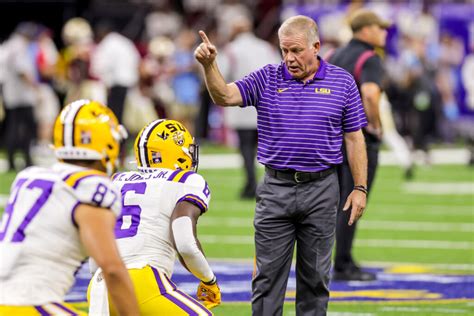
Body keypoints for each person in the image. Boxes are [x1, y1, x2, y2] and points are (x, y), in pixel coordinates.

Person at [195, 15, 368, 316]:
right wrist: (210, 66)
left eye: (296, 50)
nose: (289, 58)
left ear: (316, 46)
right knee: (267, 279)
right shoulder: (267, 77)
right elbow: (224, 95)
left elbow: (354, 136)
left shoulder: (343, 81)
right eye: (284, 50)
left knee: (315, 279)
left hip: (322, 188)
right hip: (276, 188)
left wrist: (360, 187)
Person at [0, 99, 138, 315]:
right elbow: (111, 269)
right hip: (29, 303)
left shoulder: (29, 177)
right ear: (108, 142)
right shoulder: (91, 186)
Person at [88, 119, 220, 315]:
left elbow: (95, 249)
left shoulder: (116, 180)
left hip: (98, 286)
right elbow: (184, 243)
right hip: (141, 282)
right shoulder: (185, 180)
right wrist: (209, 280)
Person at [327, 9, 390, 281]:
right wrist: (375, 126)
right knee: (354, 199)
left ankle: (334, 259)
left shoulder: (333, 55)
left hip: (330, 136)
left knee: (332, 202)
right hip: (356, 138)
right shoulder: (370, 58)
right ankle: (342, 263)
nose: (384, 32)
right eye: (380, 27)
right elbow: (370, 93)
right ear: (365, 30)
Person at [219, 12, 281, 199]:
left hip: (242, 105)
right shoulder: (266, 47)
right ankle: (271, 184)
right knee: (270, 148)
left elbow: (221, 75)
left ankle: (251, 184)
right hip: (268, 105)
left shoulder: (231, 49)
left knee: (246, 149)